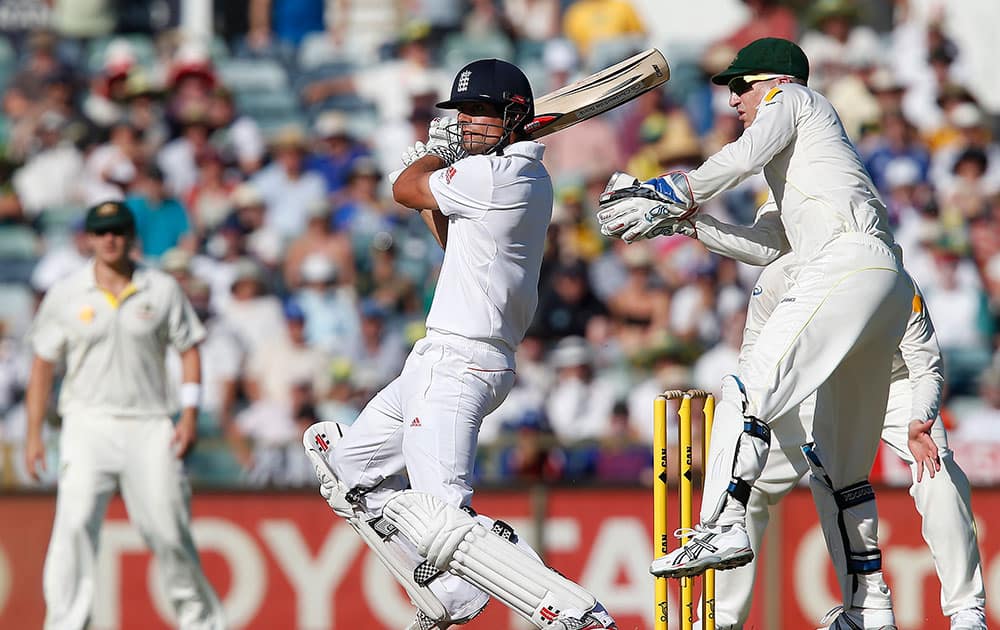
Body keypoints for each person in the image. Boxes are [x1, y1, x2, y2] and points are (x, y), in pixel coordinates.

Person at [597, 38, 913, 629]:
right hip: (881, 284)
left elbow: (739, 157)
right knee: (840, 471)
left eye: (740, 87)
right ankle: (871, 611)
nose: (734, 100)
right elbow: (765, 244)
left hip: (847, 263)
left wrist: (668, 189)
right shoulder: (802, 163)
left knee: (744, 390)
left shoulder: (795, 99)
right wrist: (686, 222)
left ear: (772, 82)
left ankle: (723, 521)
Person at [303, 58, 617, 630]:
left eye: (479, 114)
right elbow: (451, 239)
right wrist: (440, 172)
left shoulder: (496, 177)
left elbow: (403, 188)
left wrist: (433, 155)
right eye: (462, 114)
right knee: (346, 475)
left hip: (462, 363)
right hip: (441, 358)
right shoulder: (511, 178)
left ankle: (571, 610)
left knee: (442, 516)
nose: (466, 124)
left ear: (514, 117)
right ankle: (449, 589)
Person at [714, 255, 987, 630]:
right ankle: (722, 620)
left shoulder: (886, 272)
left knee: (937, 472)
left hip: (894, 382)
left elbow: (926, 363)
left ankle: (966, 611)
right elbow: (753, 366)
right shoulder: (777, 278)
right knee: (749, 486)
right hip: (810, 387)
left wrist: (920, 419)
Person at [24, 201, 224, 630]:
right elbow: (42, 364)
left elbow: (189, 348)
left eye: (117, 230)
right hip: (86, 422)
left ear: (131, 236)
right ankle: (65, 624)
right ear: (89, 238)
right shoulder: (67, 292)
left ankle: (201, 623)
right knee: (74, 526)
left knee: (168, 530)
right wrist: (34, 435)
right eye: (101, 231)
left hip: (150, 422)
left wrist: (188, 414)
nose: (109, 239)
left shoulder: (161, 288)